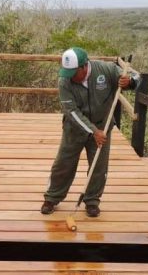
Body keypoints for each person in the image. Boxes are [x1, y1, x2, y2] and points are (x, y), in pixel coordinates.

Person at [41, 47, 140, 217]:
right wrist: (93, 131)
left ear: (84, 66)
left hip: (103, 125)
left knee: (99, 166)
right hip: (75, 128)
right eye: (67, 72)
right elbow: (71, 111)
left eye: (73, 72)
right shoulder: (64, 80)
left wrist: (129, 82)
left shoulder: (106, 69)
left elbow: (137, 76)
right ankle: (52, 197)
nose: (70, 76)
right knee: (63, 163)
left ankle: (92, 200)